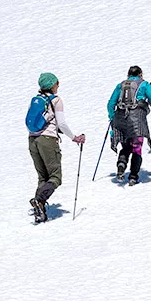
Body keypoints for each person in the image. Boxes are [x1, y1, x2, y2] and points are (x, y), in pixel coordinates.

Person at [27, 72, 86, 224]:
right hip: (48, 140)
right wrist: (74, 137)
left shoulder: (36, 100)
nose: (58, 85)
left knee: (42, 177)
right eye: (56, 82)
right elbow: (61, 123)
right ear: (52, 85)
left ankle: (40, 210)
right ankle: (39, 200)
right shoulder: (56, 100)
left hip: (32, 140)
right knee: (55, 177)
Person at [107, 66, 151, 185]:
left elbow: (110, 104)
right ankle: (133, 176)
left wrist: (113, 118)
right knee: (136, 147)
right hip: (137, 119)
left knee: (125, 146)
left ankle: (121, 166)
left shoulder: (121, 85)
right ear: (140, 74)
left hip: (121, 118)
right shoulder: (143, 84)